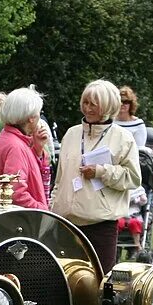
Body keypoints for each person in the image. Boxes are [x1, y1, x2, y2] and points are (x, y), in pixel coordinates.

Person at [51, 79, 142, 273]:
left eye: (94, 104)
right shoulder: (71, 134)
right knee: (65, 280)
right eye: (85, 102)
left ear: (108, 106)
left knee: (98, 282)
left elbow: (133, 178)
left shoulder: (123, 138)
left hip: (100, 225)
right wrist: (54, 205)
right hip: (66, 223)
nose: (88, 108)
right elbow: (60, 178)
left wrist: (101, 171)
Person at [0, 87, 49, 209]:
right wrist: (42, 210)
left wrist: (37, 149)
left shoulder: (9, 138)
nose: (39, 117)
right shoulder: (15, 146)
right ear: (31, 117)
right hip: (21, 221)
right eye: (39, 113)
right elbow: (16, 194)